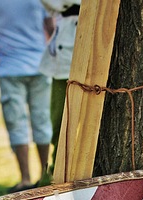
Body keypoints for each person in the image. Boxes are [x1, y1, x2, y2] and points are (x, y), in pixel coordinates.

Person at [0, 0, 54, 192]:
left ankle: (25, 178)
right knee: (42, 120)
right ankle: (45, 175)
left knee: (16, 124)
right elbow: (51, 26)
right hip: (39, 64)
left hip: (10, 67)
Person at [37, 0, 80, 183]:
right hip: (65, 40)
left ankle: (61, 175)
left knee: (69, 123)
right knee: (59, 124)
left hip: (81, 33)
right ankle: (58, 174)